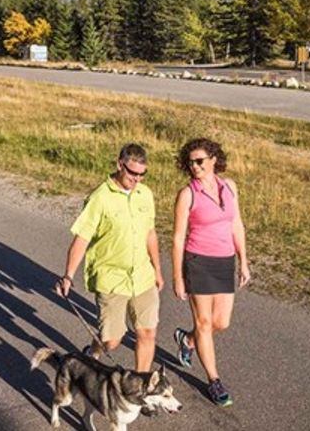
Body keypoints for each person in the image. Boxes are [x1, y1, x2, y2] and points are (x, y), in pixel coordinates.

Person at [56, 143, 164, 373]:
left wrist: (157, 269)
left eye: (142, 174)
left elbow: (150, 233)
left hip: (142, 275)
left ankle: (142, 386)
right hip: (111, 277)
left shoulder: (145, 195)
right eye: (132, 172)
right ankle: (93, 352)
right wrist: (67, 275)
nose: (137, 179)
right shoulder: (100, 198)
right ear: (119, 164)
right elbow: (82, 239)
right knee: (112, 341)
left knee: (147, 332)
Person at [170, 138, 250, 407]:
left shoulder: (230, 187)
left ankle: (187, 339)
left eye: (200, 161)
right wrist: (178, 277)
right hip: (198, 261)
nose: (194, 166)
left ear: (214, 159)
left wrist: (244, 261)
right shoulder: (187, 194)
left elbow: (236, 224)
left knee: (221, 322)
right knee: (204, 323)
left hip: (225, 260)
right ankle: (214, 382)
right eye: (190, 162)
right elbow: (178, 237)